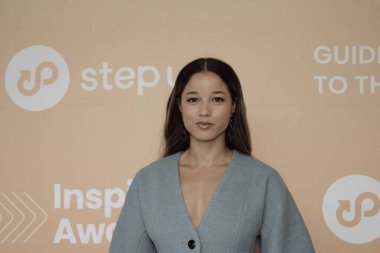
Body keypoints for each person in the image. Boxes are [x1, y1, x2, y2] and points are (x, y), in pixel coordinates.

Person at [109, 58, 315, 253]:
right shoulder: (148, 181)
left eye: (217, 99)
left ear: (233, 105)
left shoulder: (263, 180)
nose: (204, 111)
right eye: (193, 99)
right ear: (180, 105)